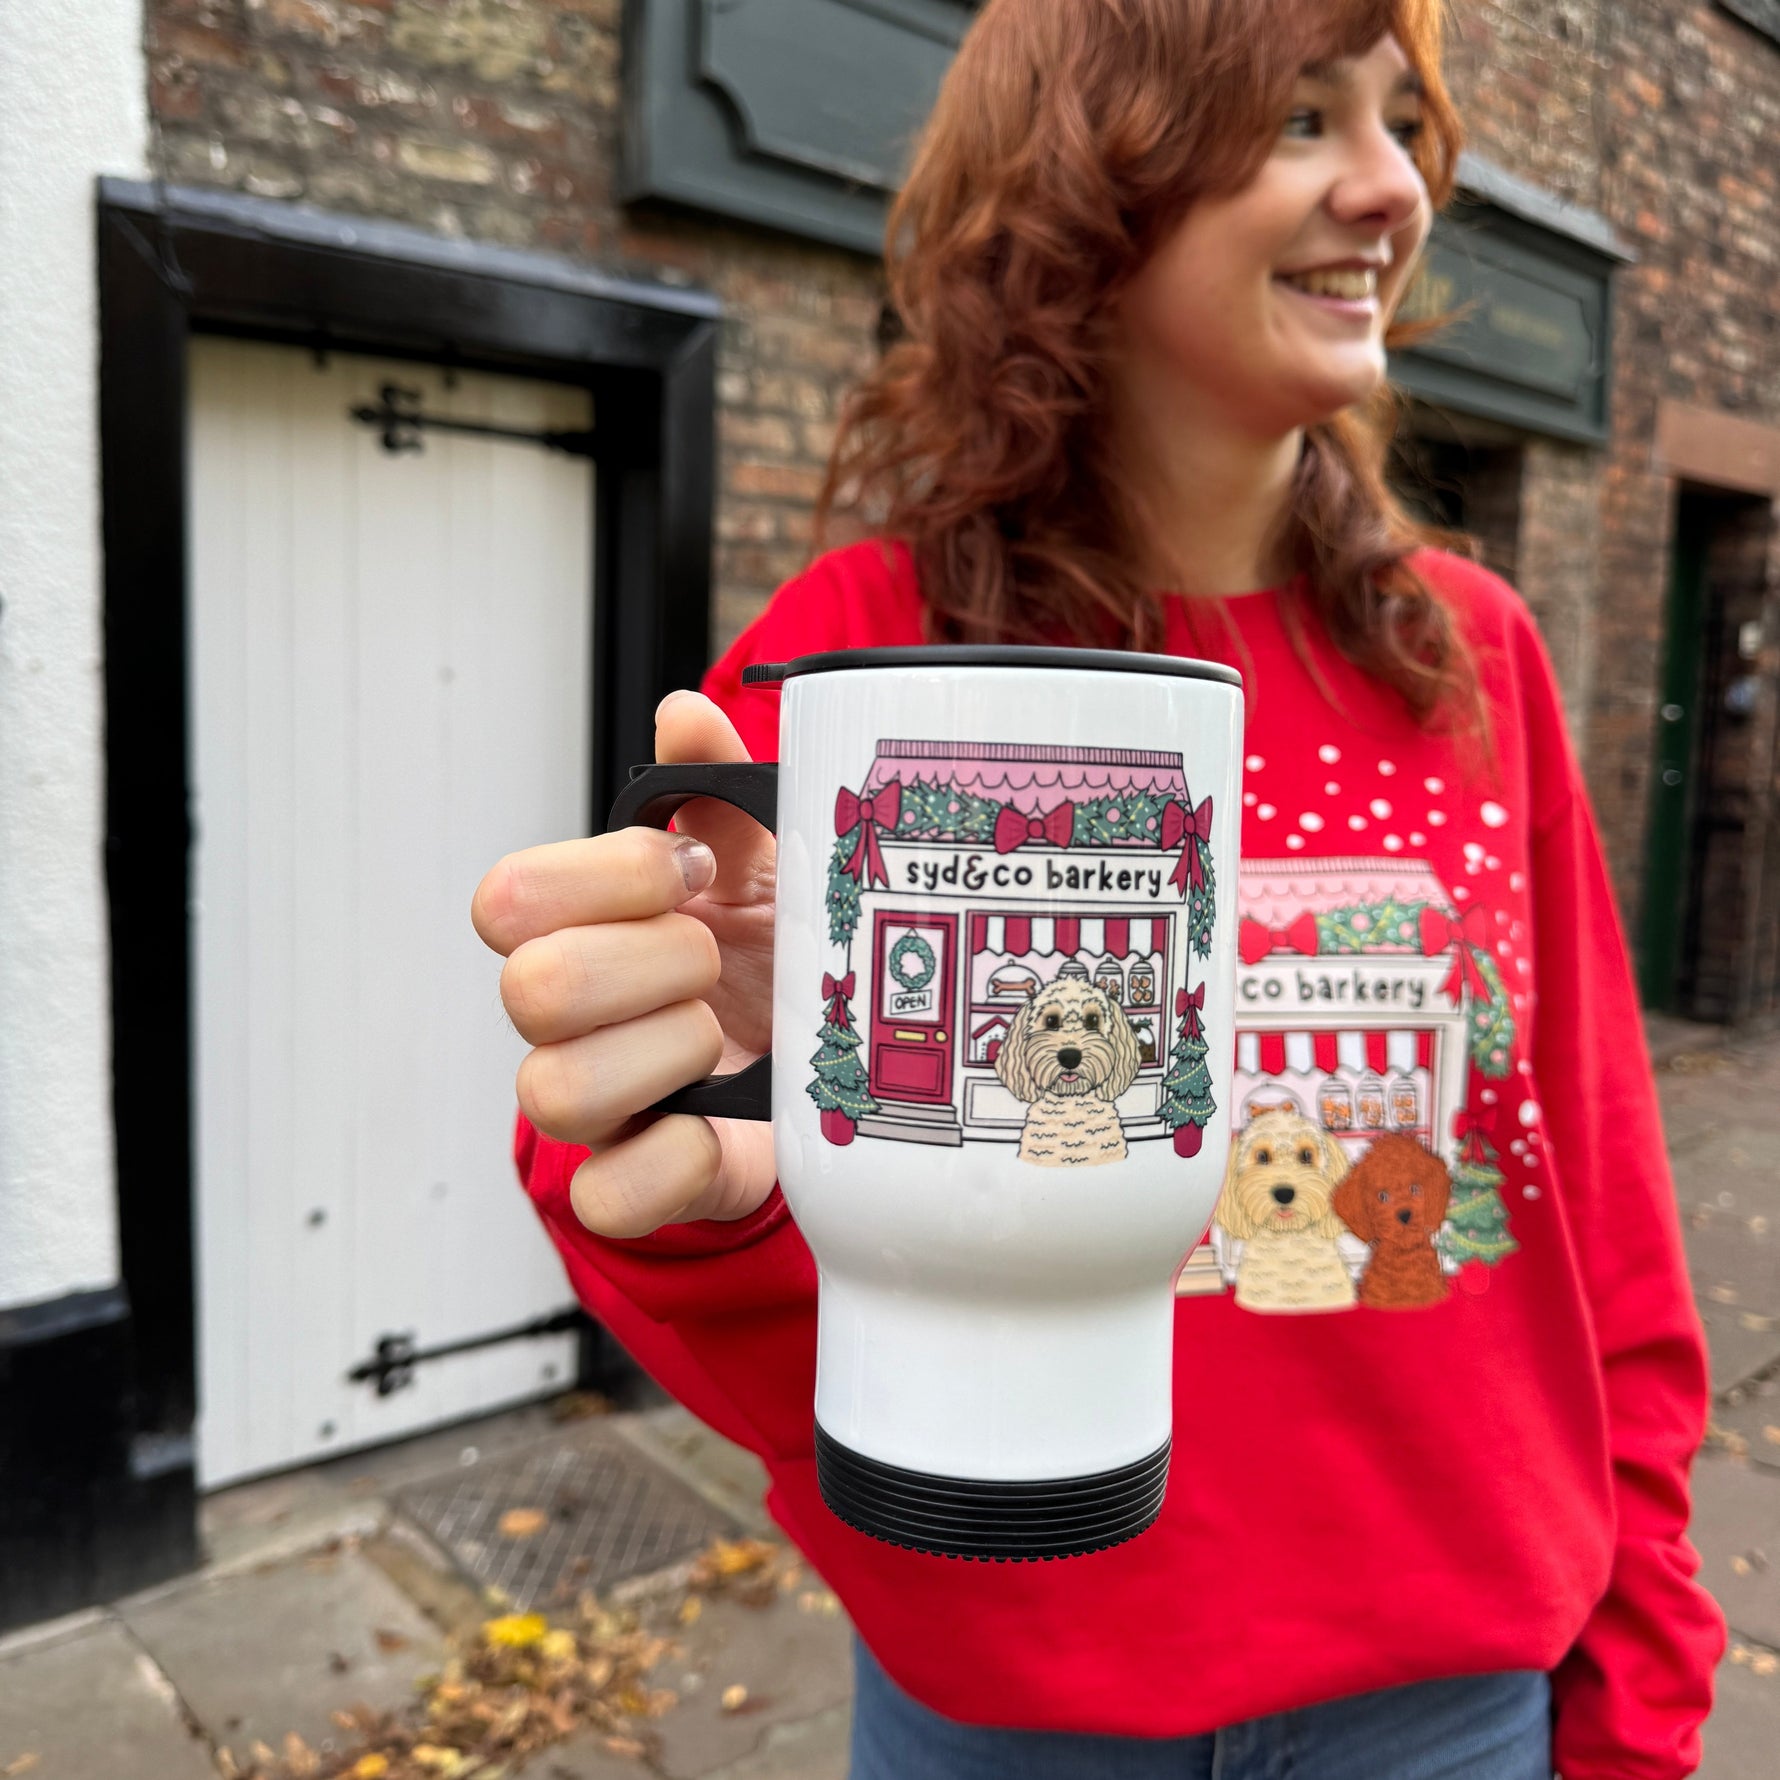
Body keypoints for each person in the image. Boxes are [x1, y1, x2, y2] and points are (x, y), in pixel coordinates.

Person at [471, 1, 1725, 1774]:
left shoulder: (1473, 657)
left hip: (1445, 1708)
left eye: (1398, 126)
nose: (1392, 189)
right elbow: (663, 1167)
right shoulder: (864, 664)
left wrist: (1644, 1677)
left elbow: (1605, 1210)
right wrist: (697, 1132)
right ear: (1092, 189)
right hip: (1012, 1707)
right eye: (1303, 119)